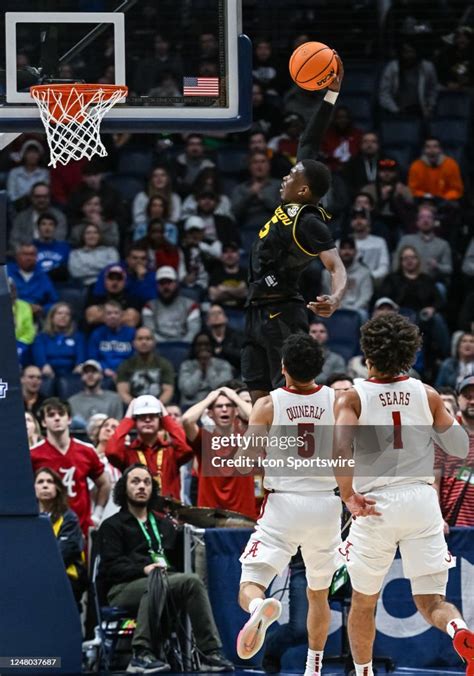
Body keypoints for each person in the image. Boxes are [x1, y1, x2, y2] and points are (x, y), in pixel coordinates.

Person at [333, 312, 472, 676]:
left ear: (368, 354)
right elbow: (459, 447)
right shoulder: (426, 394)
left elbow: (339, 452)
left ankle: (364, 673)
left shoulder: (353, 397)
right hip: (422, 502)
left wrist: (349, 496)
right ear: (409, 353)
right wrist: (446, 412)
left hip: (375, 504)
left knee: (363, 603)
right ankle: (459, 630)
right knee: (431, 602)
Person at [235, 334, 341, 676]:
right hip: (326, 505)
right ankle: (314, 667)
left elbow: (243, 462)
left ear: (283, 368)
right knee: (318, 594)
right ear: (320, 369)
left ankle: (256, 608)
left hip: (284, 505)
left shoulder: (268, 405)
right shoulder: (337, 400)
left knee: (251, 581)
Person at [242, 55, 347, 403]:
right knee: (258, 397)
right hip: (256, 309)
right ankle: (265, 458)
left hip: (283, 312)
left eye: (292, 176)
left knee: (285, 397)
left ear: (303, 190)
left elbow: (336, 266)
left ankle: (297, 455)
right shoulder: (293, 201)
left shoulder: (310, 223)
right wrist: (331, 92)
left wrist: (336, 297)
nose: (285, 176)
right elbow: (310, 136)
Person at [98, 464, 234, 673]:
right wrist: (144, 569)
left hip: (164, 582)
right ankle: (140, 654)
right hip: (123, 588)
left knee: (192, 582)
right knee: (157, 580)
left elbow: (177, 565)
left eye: (146, 482)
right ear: (124, 488)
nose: (142, 486)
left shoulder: (164, 525)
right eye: (135, 481)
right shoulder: (112, 525)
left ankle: (209, 653)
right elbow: (110, 567)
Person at [30, 398, 111, 535]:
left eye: (61, 414)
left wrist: (97, 514)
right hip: (46, 527)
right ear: (43, 422)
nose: (57, 418)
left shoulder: (86, 450)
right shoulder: (34, 455)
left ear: (69, 419)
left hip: (82, 527)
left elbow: (104, 483)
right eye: (51, 415)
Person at [181, 387, 256, 519]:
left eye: (229, 405)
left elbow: (257, 418)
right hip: (211, 519)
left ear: (236, 411)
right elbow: (187, 419)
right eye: (219, 406)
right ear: (210, 413)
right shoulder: (203, 440)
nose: (224, 409)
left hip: (244, 519)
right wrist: (209, 399)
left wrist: (234, 396)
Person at [105, 395, 192, 502]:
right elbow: (111, 452)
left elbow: (188, 449)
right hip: (137, 513)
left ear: (160, 422)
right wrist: (127, 419)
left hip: (168, 513)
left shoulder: (170, 451)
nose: (147, 419)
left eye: (152, 416)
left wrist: (166, 418)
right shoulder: (128, 453)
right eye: (142, 416)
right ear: (134, 421)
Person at [34, 467, 87, 605]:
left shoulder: (69, 517)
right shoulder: (28, 519)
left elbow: (64, 553)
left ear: (57, 488)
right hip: (36, 574)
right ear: (33, 488)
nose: (45, 485)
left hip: (66, 577)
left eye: (50, 481)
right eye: (40, 482)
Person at [435, 376, 474, 529]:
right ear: (458, 400)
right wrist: (436, 518)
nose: (472, 401)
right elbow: (434, 483)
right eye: (468, 396)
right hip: (454, 526)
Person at [116, 327, 175, 405]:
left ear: (154, 342)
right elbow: (123, 392)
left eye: (148, 339)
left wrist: (156, 406)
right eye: (140, 339)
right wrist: (137, 406)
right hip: (133, 407)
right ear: (134, 343)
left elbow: (168, 391)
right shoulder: (125, 365)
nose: (144, 342)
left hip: (158, 406)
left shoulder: (164, 364)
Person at [378, 41, 438, 118]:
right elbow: (384, 94)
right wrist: (396, 110)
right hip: (396, 111)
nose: (409, 55)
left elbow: (433, 90)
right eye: (406, 52)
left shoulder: (428, 67)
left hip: (421, 111)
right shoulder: (392, 68)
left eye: (412, 52)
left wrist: (430, 107)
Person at [142, 266, 201, 344]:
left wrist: (179, 345)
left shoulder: (191, 305)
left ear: (176, 284)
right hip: (158, 347)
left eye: (169, 282)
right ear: (157, 286)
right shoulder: (149, 307)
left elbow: (193, 333)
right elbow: (149, 333)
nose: (166, 287)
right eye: (162, 283)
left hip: (184, 347)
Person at [321, 236, 373, 321]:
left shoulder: (364, 272)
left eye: (350, 248)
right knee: (320, 314)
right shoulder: (327, 272)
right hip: (334, 307)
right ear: (338, 251)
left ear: (355, 252)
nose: (347, 252)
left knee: (363, 315)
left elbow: (365, 296)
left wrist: (352, 309)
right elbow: (327, 293)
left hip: (356, 309)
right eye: (343, 248)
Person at [393, 206, 452, 280]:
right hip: (407, 281)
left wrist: (437, 266)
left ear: (434, 222)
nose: (425, 220)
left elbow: (449, 269)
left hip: (431, 282)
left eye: (429, 217)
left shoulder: (443, 244)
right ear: (417, 222)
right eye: (422, 217)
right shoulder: (406, 240)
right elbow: (396, 262)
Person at [178, 334, 234, 409]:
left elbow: (221, 389)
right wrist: (200, 368)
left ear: (212, 346)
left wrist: (208, 366)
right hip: (191, 406)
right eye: (199, 344)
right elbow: (188, 391)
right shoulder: (186, 365)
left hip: (216, 405)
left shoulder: (223, 365)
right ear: (194, 347)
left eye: (206, 344)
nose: (203, 347)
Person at [9, 182, 67, 251]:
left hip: (52, 254)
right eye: (38, 197)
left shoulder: (59, 216)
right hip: (25, 255)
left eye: (45, 196)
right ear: (31, 197)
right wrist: (25, 253)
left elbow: (59, 239)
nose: (42, 200)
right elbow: (14, 240)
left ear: (49, 197)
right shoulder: (21, 217)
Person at [231, 151, 281, 230]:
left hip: (273, 229)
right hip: (246, 230)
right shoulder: (240, 188)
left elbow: (283, 210)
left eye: (263, 161)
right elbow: (235, 213)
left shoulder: (279, 185)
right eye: (255, 162)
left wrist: (263, 198)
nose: (259, 165)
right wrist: (250, 194)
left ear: (269, 165)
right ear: (250, 166)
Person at [32, 302, 86, 378]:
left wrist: (78, 367)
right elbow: (39, 358)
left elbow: (81, 358)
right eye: (59, 313)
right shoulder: (41, 337)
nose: (63, 316)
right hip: (47, 374)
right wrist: (44, 365)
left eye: (67, 314)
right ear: (52, 317)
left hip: (71, 374)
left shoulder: (78, 336)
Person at [7, 244, 58, 319]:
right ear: (17, 257)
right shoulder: (6, 271)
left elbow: (53, 301)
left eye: (32, 254)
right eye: (25, 254)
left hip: (35, 317)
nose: (29, 258)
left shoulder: (43, 276)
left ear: (37, 257)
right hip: (9, 314)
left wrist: (42, 308)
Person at [68, 359, 123, 428]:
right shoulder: (72, 401)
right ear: (81, 377)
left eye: (94, 371)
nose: (90, 375)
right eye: (86, 372)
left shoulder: (114, 399)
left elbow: (118, 426)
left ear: (101, 375)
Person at [87, 300, 135, 378]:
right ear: (103, 316)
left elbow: (135, 356)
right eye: (109, 313)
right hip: (102, 374)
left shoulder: (132, 333)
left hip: (127, 373)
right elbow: (93, 358)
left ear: (121, 315)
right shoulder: (96, 334)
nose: (113, 316)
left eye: (116, 313)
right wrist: (104, 369)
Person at [408, 137, 464, 202]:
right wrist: (428, 196)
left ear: (440, 150)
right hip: (424, 201)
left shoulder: (451, 164)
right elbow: (413, 190)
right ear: (423, 150)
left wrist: (444, 198)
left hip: (446, 201)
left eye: (435, 147)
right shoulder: (416, 166)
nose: (432, 150)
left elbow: (456, 189)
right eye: (428, 147)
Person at [68, 222, 120, 287]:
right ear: (83, 236)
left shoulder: (111, 251)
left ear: (99, 235)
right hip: (86, 287)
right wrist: (103, 268)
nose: (92, 236)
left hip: (107, 285)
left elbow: (113, 269)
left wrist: (88, 266)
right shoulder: (75, 253)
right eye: (88, 233)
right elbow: (75, 273)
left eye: (95, 233)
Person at [348, 207, 390, 283]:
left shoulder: (379, 242)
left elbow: (384, 267)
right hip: (348, 282)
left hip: (373, 281)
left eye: (362, 218)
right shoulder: (342, 243)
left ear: (369, 221)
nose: (358, 221)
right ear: (351, 222)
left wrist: (367, 277)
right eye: (355, 218)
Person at [7, 139, 49, 207]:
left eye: (35, 152)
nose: (32, 155)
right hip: (17, 207)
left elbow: (45, 194)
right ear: (24, 154)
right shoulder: (14, 173)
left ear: (40, 155)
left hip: (39, 205)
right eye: (29, 152)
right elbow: (11, 196)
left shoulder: (45, 173)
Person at [320, 105, 363, 172]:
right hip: (332, 172)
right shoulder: (326, 136)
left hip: (354, 171)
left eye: (345, 117)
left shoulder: (358, 135)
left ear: (350, 119)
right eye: (339, 117)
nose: (342, 120)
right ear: (334, 119)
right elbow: (323, 156)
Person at [208, 243, 248, 310]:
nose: (229, 255)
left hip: (242, 312)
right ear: (221, 256)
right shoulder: (215, 274)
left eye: (233, 251)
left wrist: (224, 289)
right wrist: (238, 290)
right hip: (221, 313)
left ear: (238, 255)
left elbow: (245, 293)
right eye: (225, 252)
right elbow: (213, 296)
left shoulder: (246, 273)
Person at [33, 212, 71, 283]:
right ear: (38, 227)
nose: (47, 228)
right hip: (36, 284)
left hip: (59, 285)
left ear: (55, 228)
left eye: (51, 224)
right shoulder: (30, 248)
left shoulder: (65, 247)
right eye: (43, 224)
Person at [205, 304, 244, 371]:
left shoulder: (237, 335)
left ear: (226, 318)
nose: (216, 315)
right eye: (213, 314)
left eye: (219, 313)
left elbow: (243, 356)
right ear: (207, 322)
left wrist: (223, 350)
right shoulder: (204, 337)